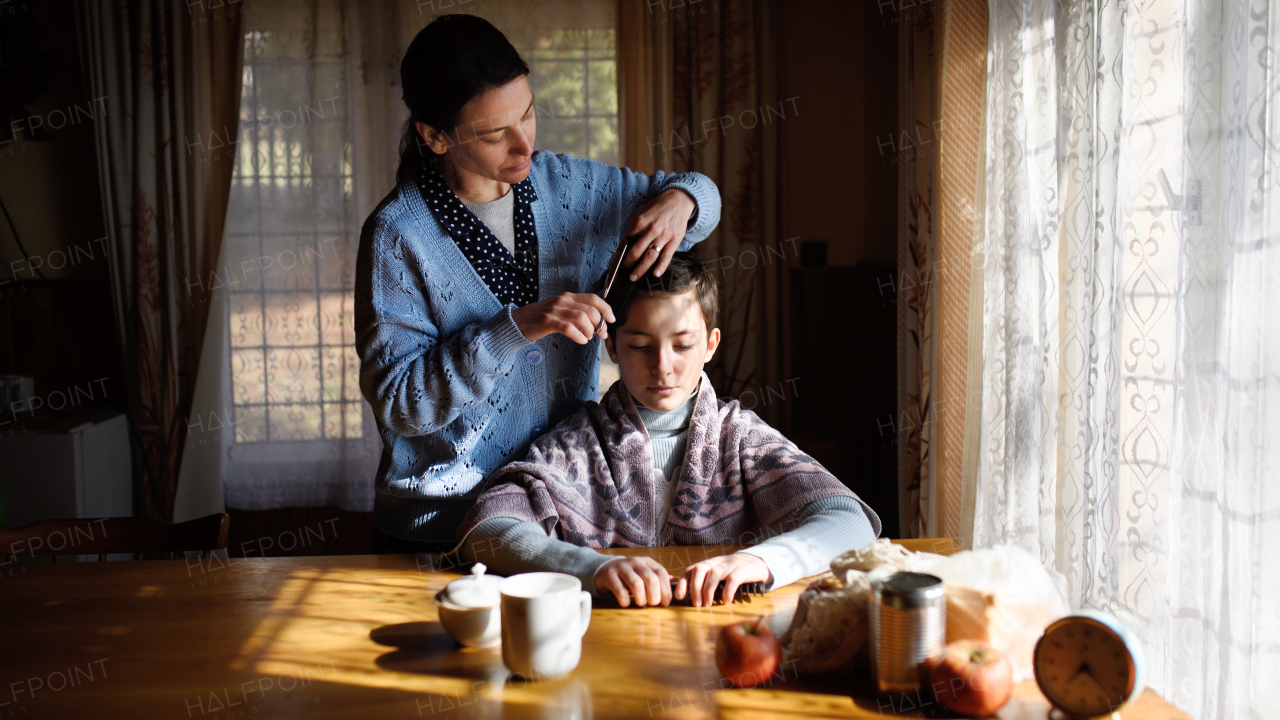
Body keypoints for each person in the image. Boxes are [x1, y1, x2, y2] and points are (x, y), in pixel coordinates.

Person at [356, 15, 721, 553]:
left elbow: (700, 195)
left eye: (527, 114)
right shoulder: (398, 233)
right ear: (434, 137)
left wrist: (681, 201)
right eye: (493, 133)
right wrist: (517, 327)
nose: (523, 144)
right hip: (441, 525)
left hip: (560, 504)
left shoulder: (565, 183)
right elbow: (400, 405)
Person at [453, 253, 881, 606]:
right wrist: (590, 567)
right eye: (639, 345)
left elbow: (849, 521)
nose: (662, 366)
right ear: (612, 346)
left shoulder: (741, 438)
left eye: (682, 345)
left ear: (711, 345)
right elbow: (488, 531)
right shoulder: (576, 444)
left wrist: (762, 561)